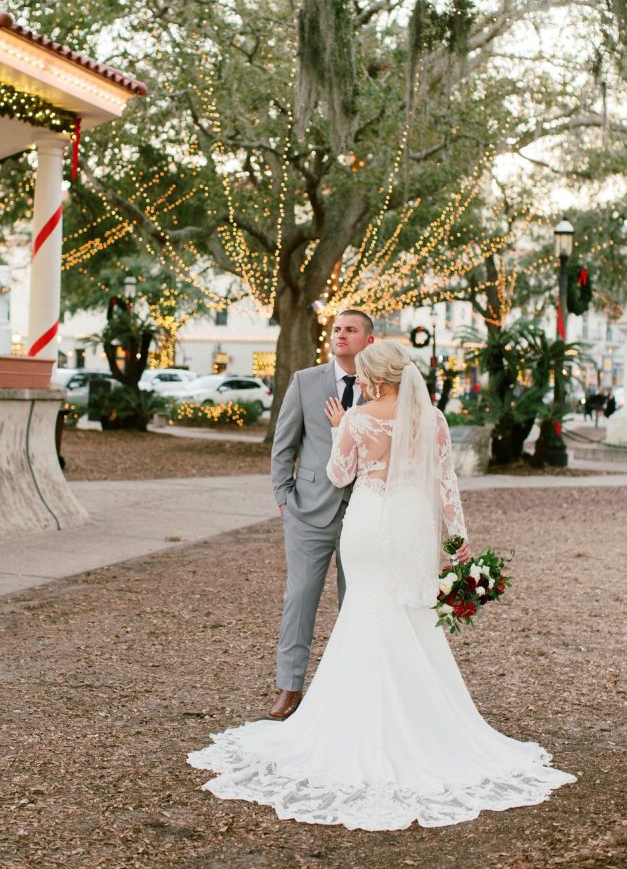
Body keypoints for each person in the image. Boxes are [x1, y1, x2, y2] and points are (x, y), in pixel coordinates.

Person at [188, 340, 575, 830]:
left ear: (373, 377)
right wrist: (459, 543)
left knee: (364, 612)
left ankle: (355, 721)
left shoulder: (357, 418)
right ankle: (423, 721)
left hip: (368, 526)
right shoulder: (431, 419)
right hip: (412, 526)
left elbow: (338, 474)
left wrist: (336, 430)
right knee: (409, 612)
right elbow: (445, 485)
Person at [266, 309, 374, 721]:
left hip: (363, 513)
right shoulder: (305, 381)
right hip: (307, 511)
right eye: (336, 329)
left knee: (358, 603)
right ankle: (288, 689)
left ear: (368, 340)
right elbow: (283, 444)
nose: (340, 335)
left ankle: (353, 690)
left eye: (350, 330)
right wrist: (283, 498)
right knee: (300, 600)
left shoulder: (381, 388)